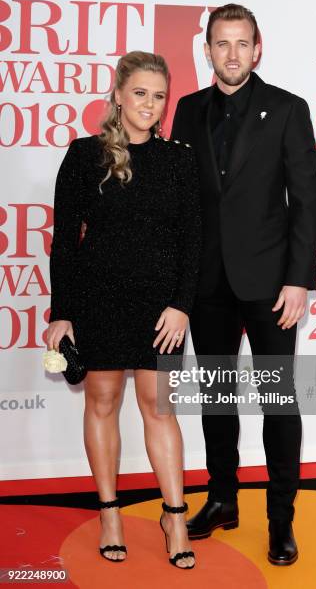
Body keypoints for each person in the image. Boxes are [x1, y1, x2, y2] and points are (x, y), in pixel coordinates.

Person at [171, 3, 316, 565]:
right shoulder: (186, 111)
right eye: (221, 44)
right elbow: (182, 203)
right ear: (207, 50)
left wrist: (299, 281)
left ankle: (281, 520)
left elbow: (306, 201)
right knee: (216, 399)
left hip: (270, 287)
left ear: (257, 50)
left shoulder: (286, 109)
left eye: (242, 44)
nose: (232, 55)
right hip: (206, 284)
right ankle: (222, 500)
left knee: (279, 404)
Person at [46, 51, 201, 569]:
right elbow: (65, 242)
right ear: (117, 94)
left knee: (160, 408)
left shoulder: (179, 159)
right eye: (140, 93)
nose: (149, 105)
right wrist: (61, 312)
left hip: (161, 309)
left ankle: (174, 516)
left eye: (159, 96)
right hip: (98, 301)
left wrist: (181, 305)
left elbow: (192, 241)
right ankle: (110, 512)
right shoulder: (84, 154)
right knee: (103, 402)